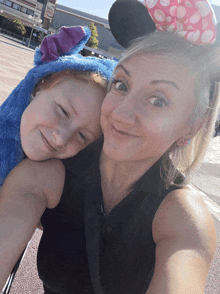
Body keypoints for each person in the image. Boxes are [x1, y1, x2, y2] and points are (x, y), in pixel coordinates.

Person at [0, 1, 220, 293]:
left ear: (191, 126)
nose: (121, 113)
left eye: (158, 100)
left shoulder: (182, 216)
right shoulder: (51, 174)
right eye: (122, 85)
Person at [0, 25, 116, 186]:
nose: (61, 139)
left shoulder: (60, 184)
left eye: (83, 136)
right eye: (63, 112)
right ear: (39, 87)